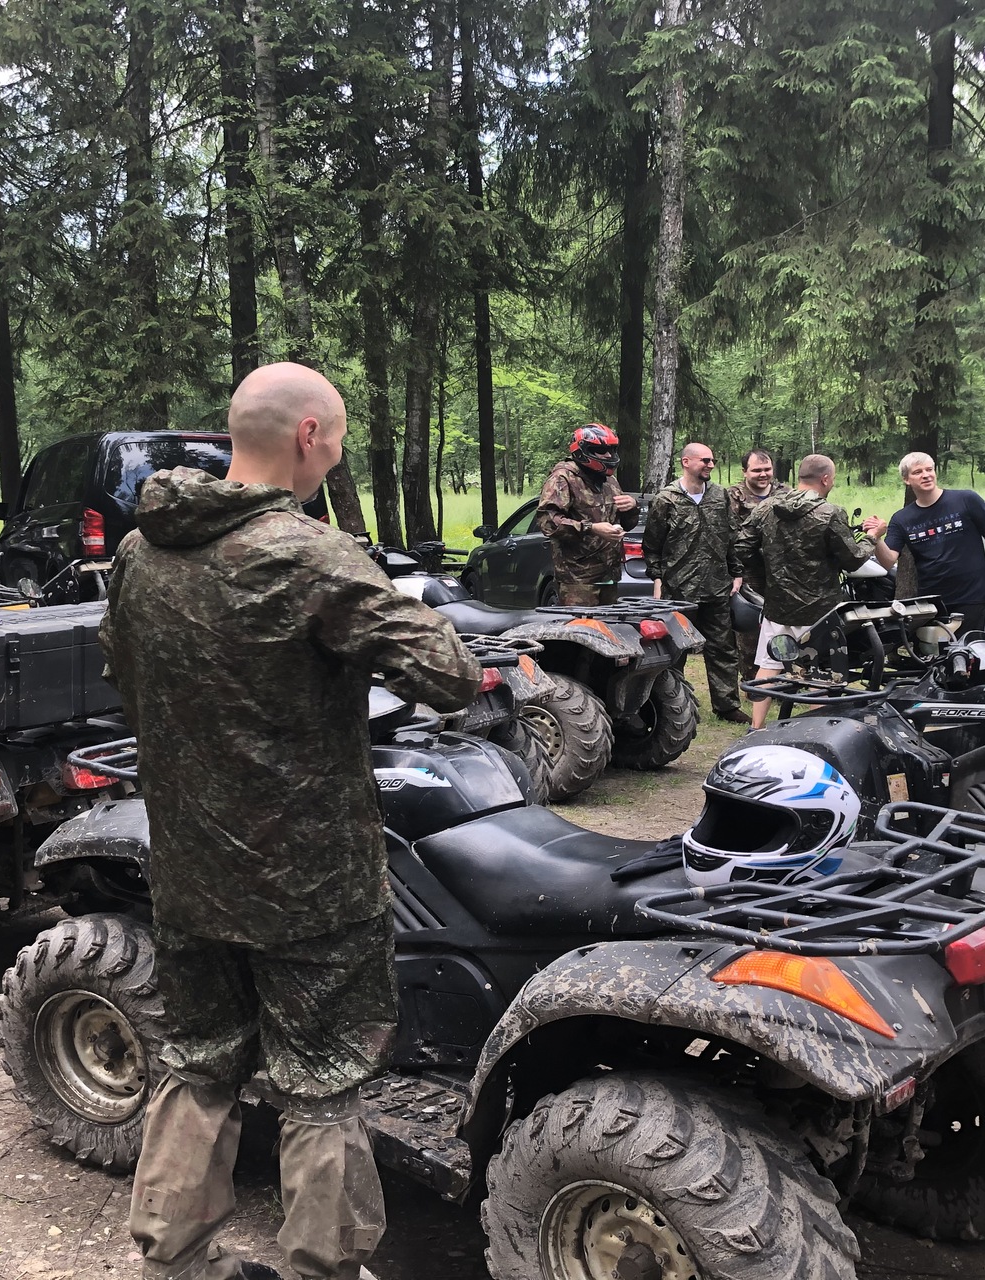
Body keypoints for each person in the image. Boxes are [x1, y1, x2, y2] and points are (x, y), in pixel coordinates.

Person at [100, 363, 482, 1280]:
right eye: (337, 439)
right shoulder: (310, 554)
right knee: (324, 1083)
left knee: (198, 1064)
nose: (336, 455)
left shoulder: (140, 552)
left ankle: (174, 1259)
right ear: (309, 435)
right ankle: (324, 1268)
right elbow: (452, 677)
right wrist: (404, 604)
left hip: (190, 870)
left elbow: (125, 676)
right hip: (313, 887)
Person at [733, 453, 875, 730]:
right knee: (820, 670)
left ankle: (756, 726)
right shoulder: (830, 513)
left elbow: (741, 547)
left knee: (769, 663)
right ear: (825, 479)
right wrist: (872, 537)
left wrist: (770, 565)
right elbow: (853, 559)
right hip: (820, 608)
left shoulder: (766, 508)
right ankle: (814, 730)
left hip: (778, 604)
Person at [641, 441, 750, 723]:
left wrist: (736, 571)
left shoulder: (719, 496)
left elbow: (730, 536)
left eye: (712, 460)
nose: (710, 465)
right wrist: (657, 578)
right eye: (705, 460)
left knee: (723, 648)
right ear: (686, 462)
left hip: (716, 586)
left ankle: (726, 705)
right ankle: (672, 704)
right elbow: (652, 545)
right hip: (678, 589)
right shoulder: (666, 499)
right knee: (674, 650)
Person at [861, 452, 985, 632]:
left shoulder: (967, 500)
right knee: (935, 650)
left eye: (929, 469)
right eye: (918, 472)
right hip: (931, 603)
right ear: (906, 479)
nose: (926, 475)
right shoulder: (901, 519)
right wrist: (876, 537)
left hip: (973, 597)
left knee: (972, 648)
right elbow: (888, 561)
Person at [536, 424, 639, 606]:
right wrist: (591, 528)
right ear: (583, 450)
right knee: (582, 622)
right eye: (601, 451)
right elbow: (548, 522)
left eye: (611, 450)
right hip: (578, 578)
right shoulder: (563, 478)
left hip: (609, 575)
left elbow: (626, 524)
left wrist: (632, 507)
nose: (608, 455)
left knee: (608, 623)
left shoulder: (610, 481)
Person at [726, 449, 789, 686]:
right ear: (745, 472)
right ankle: (753, 681)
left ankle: (780, 677)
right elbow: (729, 533)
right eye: (757, 470)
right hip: (747, 570)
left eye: (767, 469)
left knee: (781, 625)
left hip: (780, 570)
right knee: (751, 628)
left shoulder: (785, 493)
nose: (763, 474)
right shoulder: (734, 496)